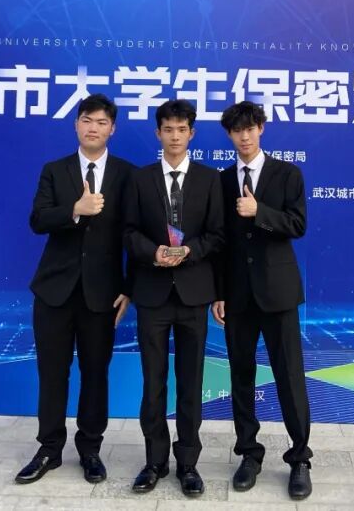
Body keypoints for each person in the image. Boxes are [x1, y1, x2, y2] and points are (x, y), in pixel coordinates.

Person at [16, 94, 134, 486]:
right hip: (54, 291)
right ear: (76, 125)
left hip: (103, 294)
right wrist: (74, 210)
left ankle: (90, 449)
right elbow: (38, 219)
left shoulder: (127, 175)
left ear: (112, 128)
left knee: (95, 374)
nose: (93, 128)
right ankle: (49, 448)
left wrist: (129, 288)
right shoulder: (55, 170)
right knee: (52, 373)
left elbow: (135, 235)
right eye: (86, 120)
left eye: (101, 122)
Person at [124, 99, 224, 497]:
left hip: (194, 293)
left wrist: (189, 251)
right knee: (153, 383)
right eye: (168, 129)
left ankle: (188, 464)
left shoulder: (209, 179)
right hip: (152, 293)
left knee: (190, 382)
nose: (175, 136)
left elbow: (217, 235)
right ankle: (154, 462)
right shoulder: (140, 179)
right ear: (158, 133)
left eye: (182, 130)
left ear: (192, 134)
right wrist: (154, 253)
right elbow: (128, 232)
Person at [213, 100, 312, 500]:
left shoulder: (288, 174)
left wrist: (259, 211)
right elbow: (220, 242)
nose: (244, 136)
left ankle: (300, 458)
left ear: (261, 129)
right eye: (237, 130)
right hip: (237, 296)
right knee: (241, 376)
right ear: (229, 135)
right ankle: (249, 454)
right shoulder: (221, 181)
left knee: (289, 376)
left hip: (278, 293)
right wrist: (219, 293)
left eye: (250, 128)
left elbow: (298, 225)